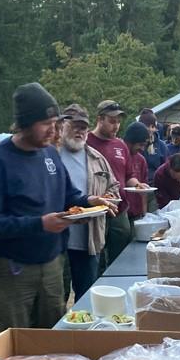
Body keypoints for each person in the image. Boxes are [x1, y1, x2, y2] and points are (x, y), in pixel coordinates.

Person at [0, 82, 117, 336]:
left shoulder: (50, 155)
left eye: (56, 123)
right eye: (45, 124)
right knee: (10, 342)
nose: (53, 131)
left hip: (51, 265)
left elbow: (67, 195)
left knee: (52, 338)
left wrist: (88, 202)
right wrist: (40, 224)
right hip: (11, 270)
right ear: (24, 124)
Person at [58, 104, 120, 300]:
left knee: (86, 299)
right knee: (57, 299)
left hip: (90, 239)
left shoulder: (97, 158)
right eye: (74, 125)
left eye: (83, 127)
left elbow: (114, 186)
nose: (80, 131)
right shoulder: (50, 155)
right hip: (58, 240)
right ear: (62, 125)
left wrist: (107, 199)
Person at [87, 99, 141, 269]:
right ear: (100, 119)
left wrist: (137, 184)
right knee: (97, 258)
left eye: (118, 122)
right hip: (96, 210)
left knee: (121, 256)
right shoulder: (86, 141)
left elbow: (128, 174)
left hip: (119, 208)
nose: (116, 126)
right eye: (111, 121)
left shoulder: (121, 145)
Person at [123, 122, 151, 222]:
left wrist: (144, 215)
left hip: (137, 214)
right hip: (121, 212)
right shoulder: (119, 155)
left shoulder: (141, 160)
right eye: (140, 145)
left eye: (144, 145)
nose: (142, 149)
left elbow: (144, 191)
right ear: (130, 141)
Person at [138, 109, 168, 176]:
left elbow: (166, 169)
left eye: (145, 127)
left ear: (153, 127)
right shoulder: (135, 145)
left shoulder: (162, 146)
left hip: (155, 183)